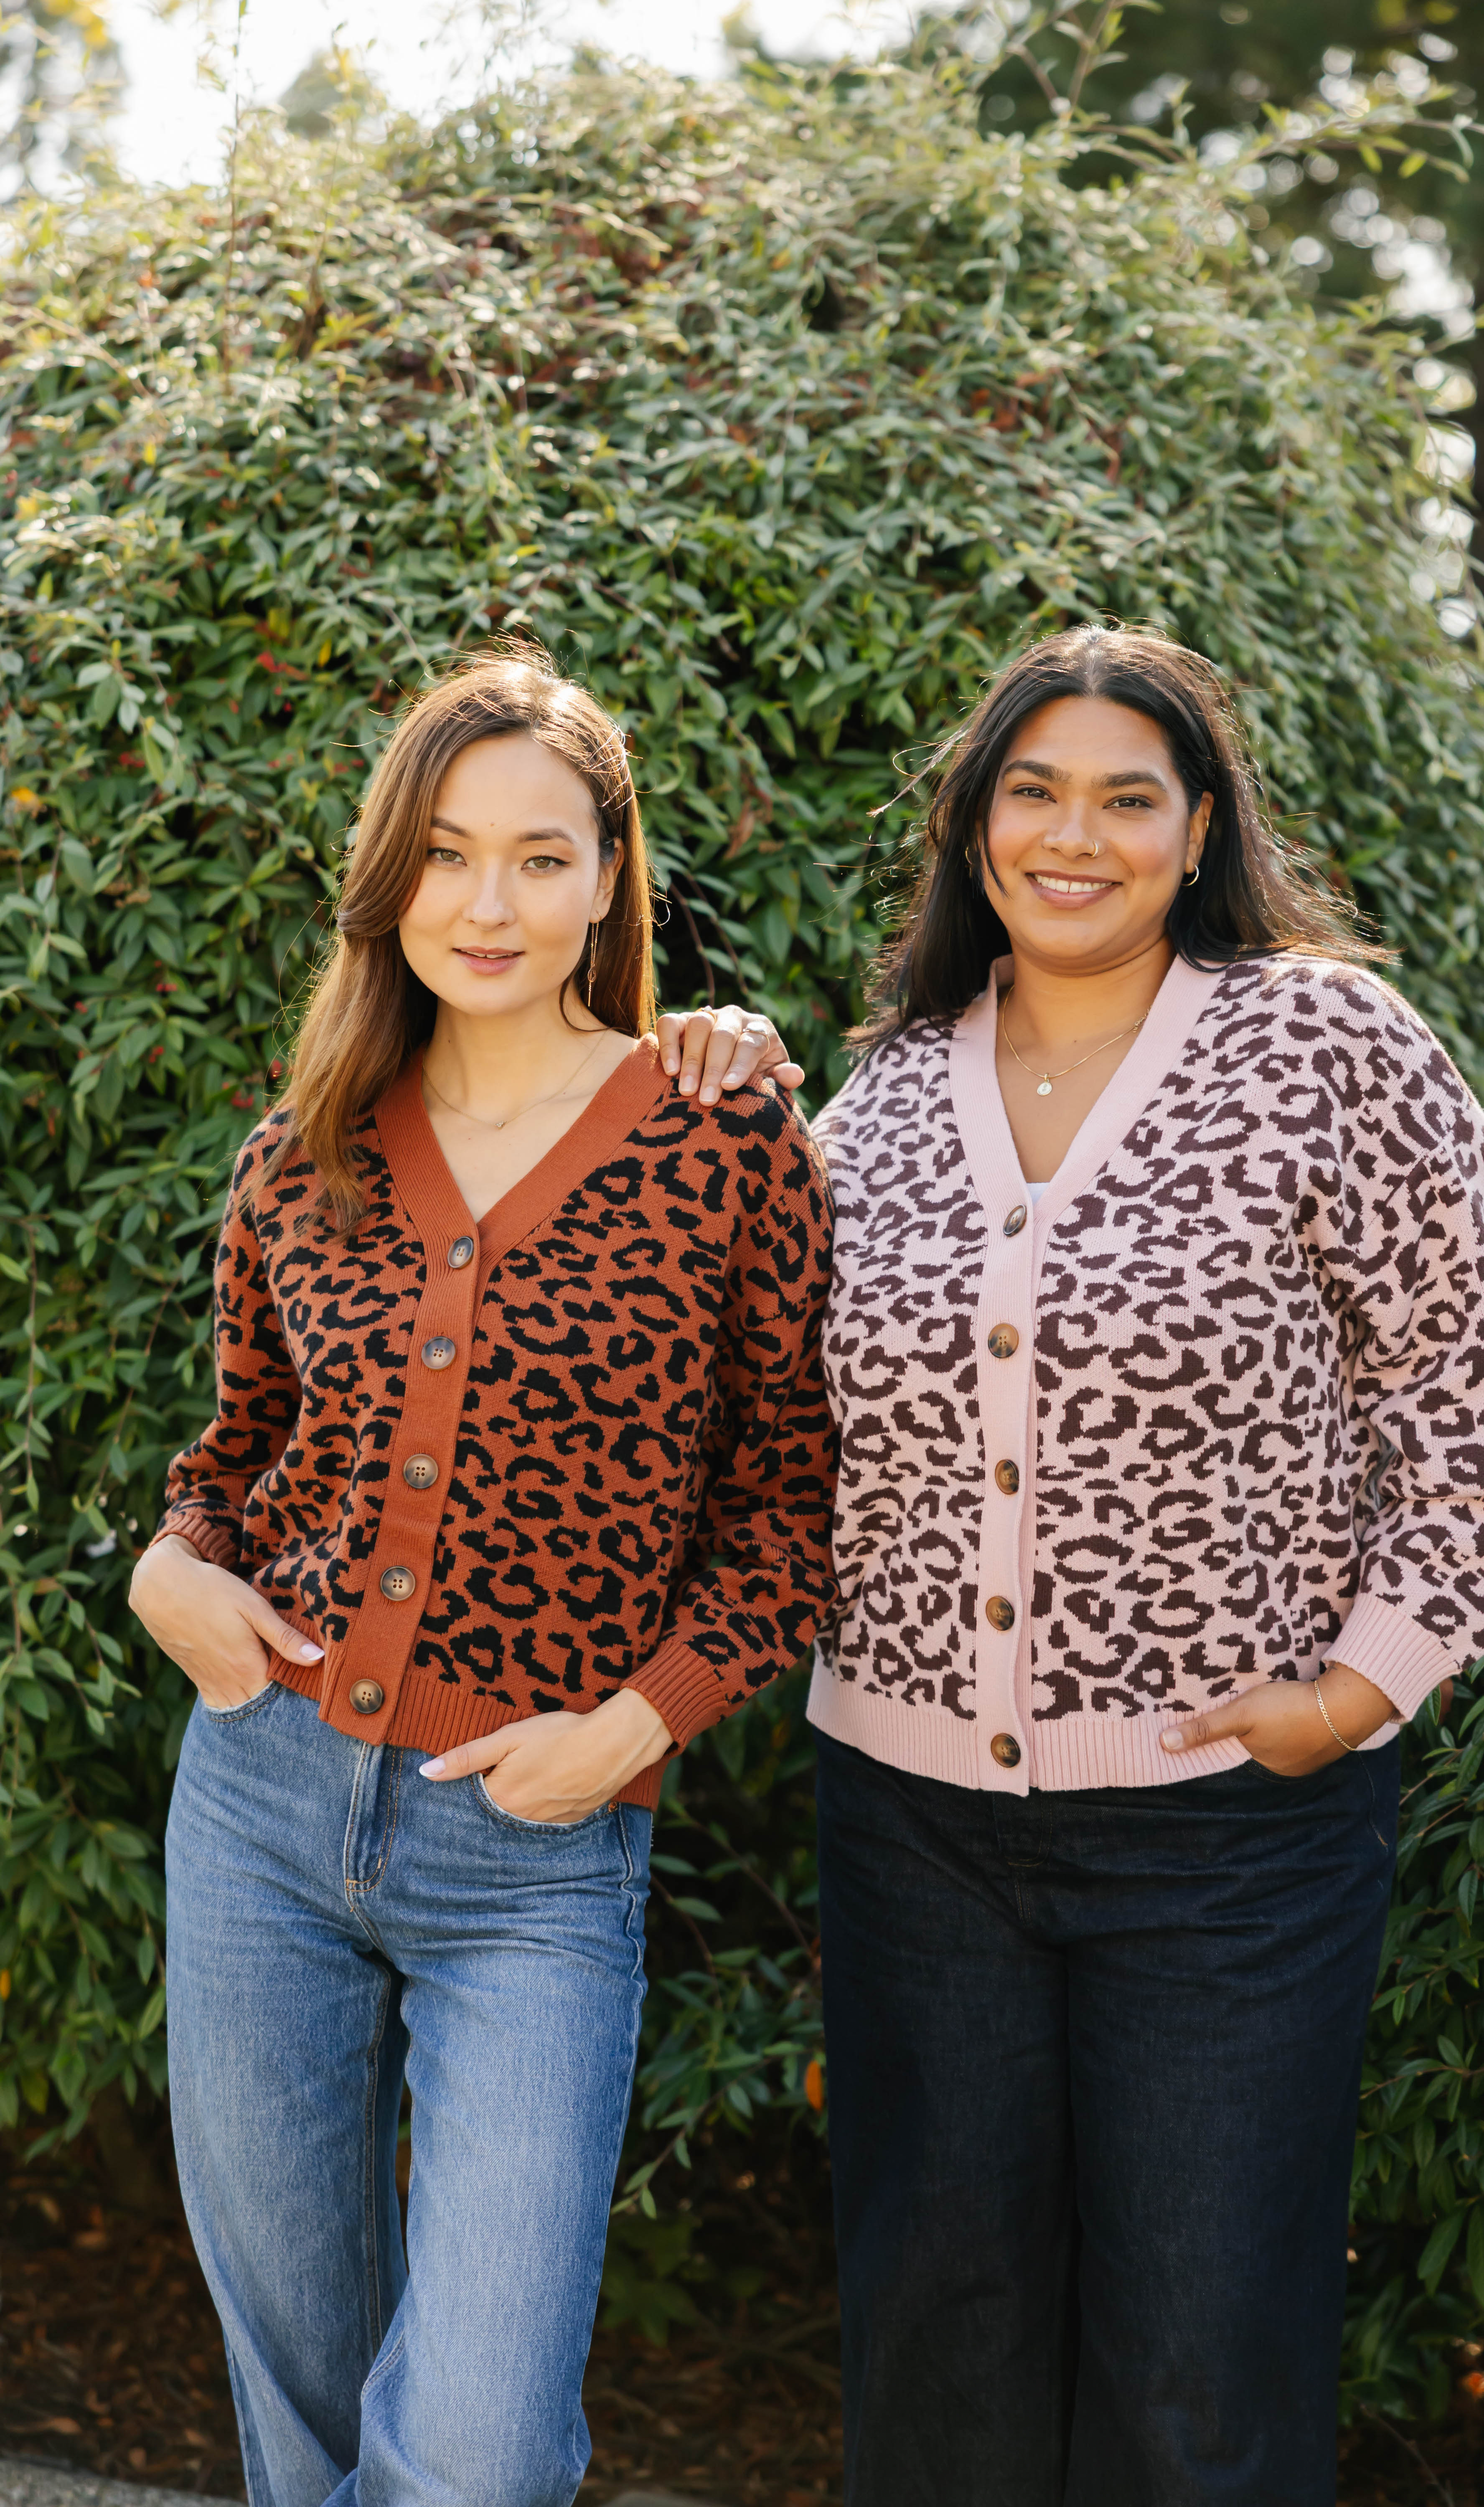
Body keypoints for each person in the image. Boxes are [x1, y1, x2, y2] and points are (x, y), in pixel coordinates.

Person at [656, 623, 1484, 2507]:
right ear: (975, 827)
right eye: (1034, 792)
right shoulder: (889, 1086)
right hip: (908, 1828)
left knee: (1197, 2378)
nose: (1075, 837)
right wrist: (718, 1072)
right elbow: (769, 1404)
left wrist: (1355, 1690)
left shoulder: (1326, 1044)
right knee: (940, 2359)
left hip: (1226, 1840)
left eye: (1126, 799)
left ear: (1198, 827)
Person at [128, 646, 838, 2507]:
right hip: (260, 1805)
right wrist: (167, 1569)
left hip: (532, 1848)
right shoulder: (303, 1153)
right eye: (446, 856)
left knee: (478, 2445)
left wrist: (636, 1727)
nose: (490, 903)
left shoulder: (722, 1140)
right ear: (391, 882)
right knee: (295, 2386)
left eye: (540, 856)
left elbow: (795, 1505)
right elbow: (235, 1464)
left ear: (613, 878)